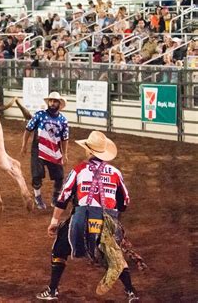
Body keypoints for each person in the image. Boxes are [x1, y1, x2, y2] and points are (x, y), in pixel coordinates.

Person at [36, 131, 139, 302]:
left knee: (59, 249)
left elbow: (63, 197)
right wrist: (113, 216)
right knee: (115, 256)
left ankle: (52, 290)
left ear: (89, 152)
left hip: (82, 219)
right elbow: (125, 201)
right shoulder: (115, 172)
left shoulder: (79, 170)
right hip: (108, 220)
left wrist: (54, 221)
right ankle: (131, 292)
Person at [21, 92, 69, 209]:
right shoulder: (39, 115)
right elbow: (28, 129)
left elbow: (65, 138)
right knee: (36, 175)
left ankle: (55, 198)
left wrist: (65, 153)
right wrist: (24, 145)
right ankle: (38, 198)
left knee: (59, 176)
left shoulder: (63, 120)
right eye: (50, 101)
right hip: (38, 148)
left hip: (54, 149)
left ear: (59, 103)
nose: (52, 103)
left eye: (55, 101)